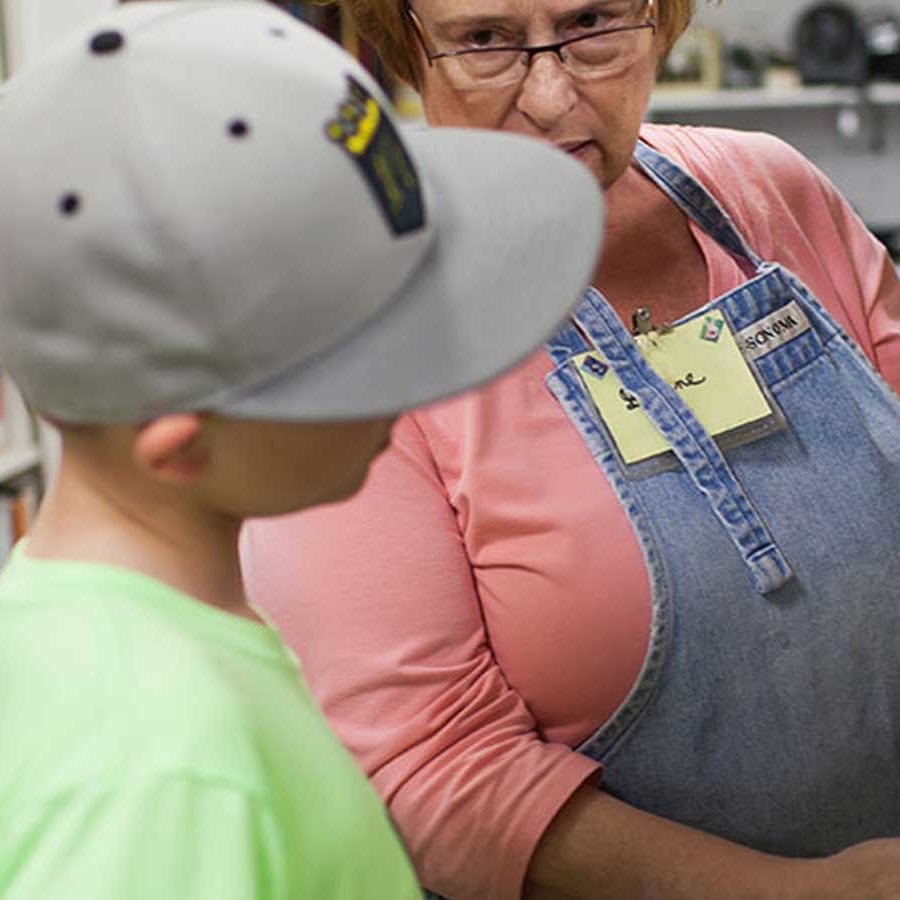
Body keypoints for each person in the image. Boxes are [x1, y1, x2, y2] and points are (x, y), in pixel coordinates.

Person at [240, 0, 900, 898]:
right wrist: (797, 892)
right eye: (485, 42)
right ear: (406, 41)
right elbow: (426, 764)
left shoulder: (769, 193)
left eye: (593, 25)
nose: (553, 99)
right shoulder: (345, 321)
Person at [0, 2, 604, 898]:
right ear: (181, 447)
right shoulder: (167, 774)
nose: (413, 386)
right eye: (368, 353)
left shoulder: (115, 634)